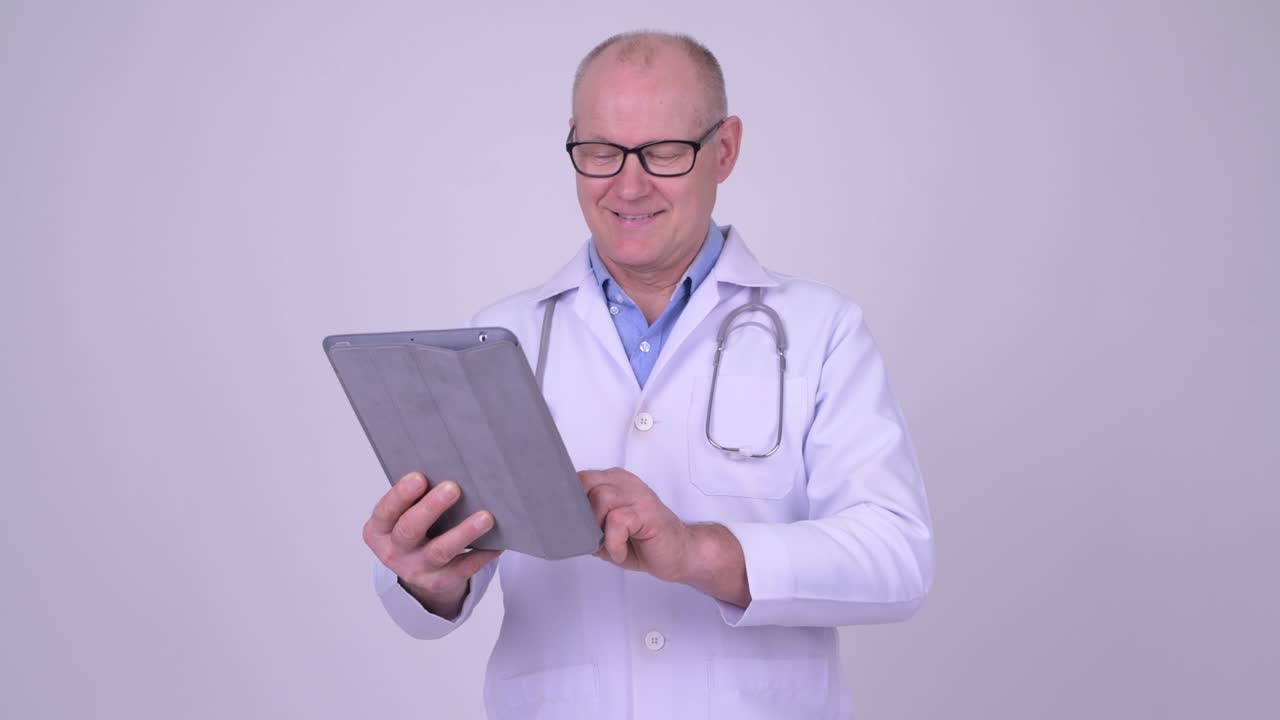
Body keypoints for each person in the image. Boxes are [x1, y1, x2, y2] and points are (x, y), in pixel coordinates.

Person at [361, 30, 934, 719]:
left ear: (723, 151)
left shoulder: (822, 328)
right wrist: (423, 575)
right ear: (572, 144)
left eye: (663, 152)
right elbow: (430, 610)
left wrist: (699, 552)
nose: (628, 186)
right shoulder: (502, 336)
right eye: (601, 152)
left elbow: (897, 559)